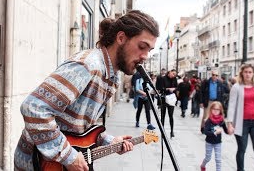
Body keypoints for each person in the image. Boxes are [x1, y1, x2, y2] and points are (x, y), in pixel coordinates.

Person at [14, 10, 159, 171]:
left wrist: (108, 141)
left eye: (150, 51)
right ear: (121, 38)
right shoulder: (88, 66)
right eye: (142, 47)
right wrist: (69, 157)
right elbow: (34, 108)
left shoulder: (110, 77)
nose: (145, 56)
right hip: (37, 163)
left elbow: (80, 127)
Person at [200, 101, 228, 171]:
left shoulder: (221, 121)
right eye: (214, 109)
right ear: (211, 109)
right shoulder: (209, 120)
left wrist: (231, 129)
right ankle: (202, 165)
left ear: (220, 110)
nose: (215, 111)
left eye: (217, 109)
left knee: (218, 159)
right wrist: (214, 132)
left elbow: (226, 130)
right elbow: (205, 132)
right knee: (208, 158)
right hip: (209, 142)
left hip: (218, 143)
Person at [160, 69, 178, 138]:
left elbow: (176, 87)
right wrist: (167, 89)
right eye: (173, 73)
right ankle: (162, 131)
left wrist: (173, 89)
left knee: (171, 115)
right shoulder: (163, 78)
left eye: (175, 74)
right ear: (169, 72)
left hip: (171, 99)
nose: (174, 75)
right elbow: (160, 88)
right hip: (164, 98)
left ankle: (172, 131)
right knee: (163, 116)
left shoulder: (174, 79)